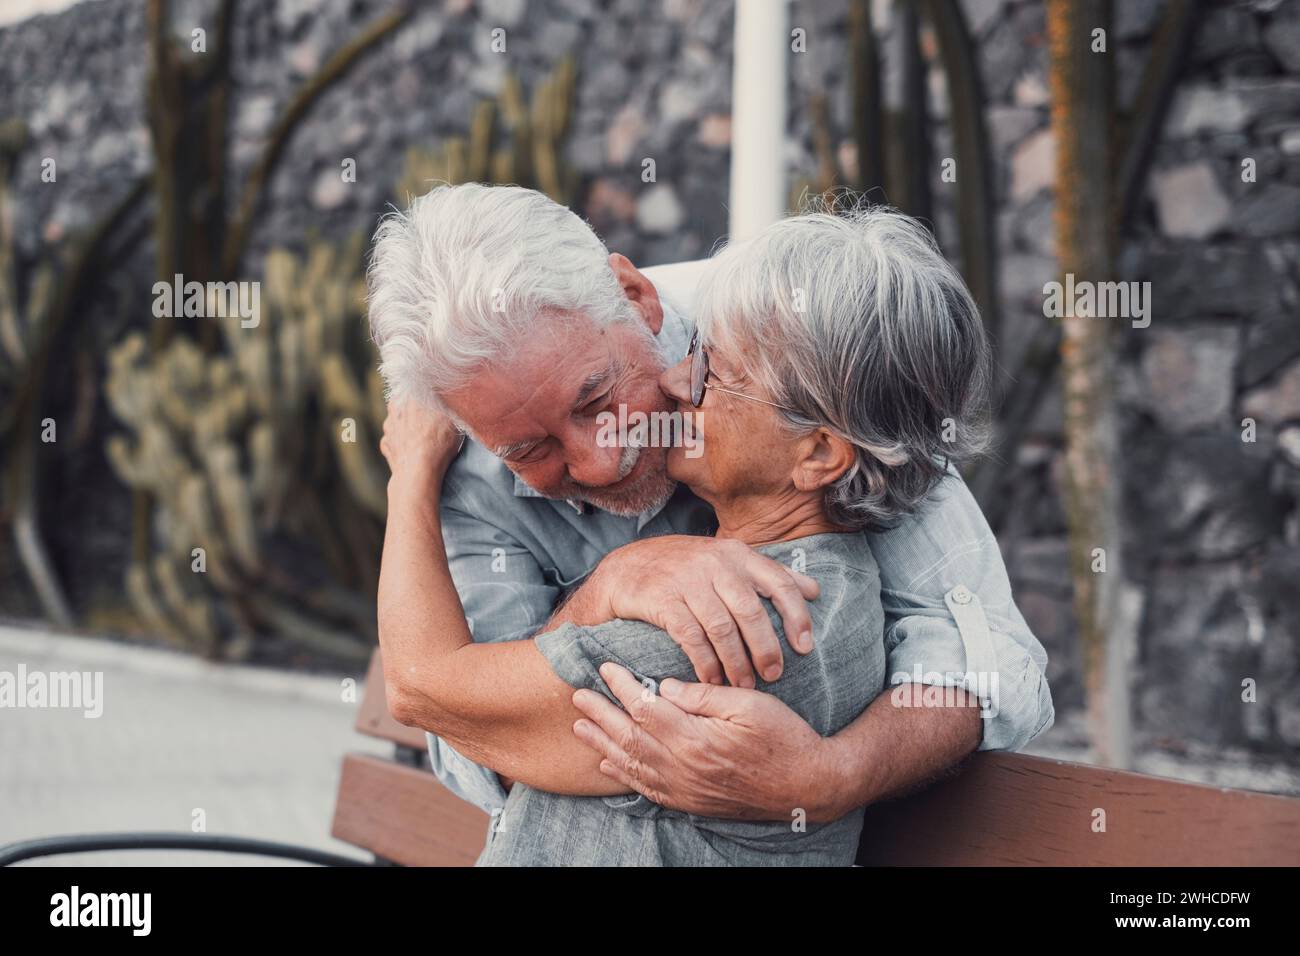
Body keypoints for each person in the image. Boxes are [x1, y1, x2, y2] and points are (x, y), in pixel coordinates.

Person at [367, 184, 1054, 853]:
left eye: (597, 399)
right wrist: (602, 593)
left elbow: (983, 652)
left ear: (634, 297)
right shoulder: (468, 463)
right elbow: (472, 736)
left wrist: (827, 778)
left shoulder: (792, 327)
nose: (600, 463)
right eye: (529, 450)